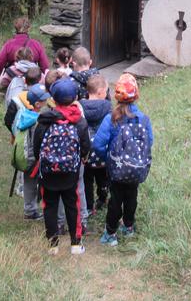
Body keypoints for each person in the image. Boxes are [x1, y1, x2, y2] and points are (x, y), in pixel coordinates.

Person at [93, 74, 153, 247]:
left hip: (116, 169)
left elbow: (98, 144)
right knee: (132, 196)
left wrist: (109, 159)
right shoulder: (143, 119)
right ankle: (128, 227)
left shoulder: (111, 119)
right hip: (137, 167)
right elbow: (150, 142)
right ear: (136, 95)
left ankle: (110, 234)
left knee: (115, 199)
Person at [33, 78, 91, 255]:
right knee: (72, 205)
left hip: (48, 173)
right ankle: (75, 244)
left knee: (49, 206)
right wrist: (81, 158)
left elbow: (37, 147)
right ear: (74, 98)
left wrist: (44, 163)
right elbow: (86, 146)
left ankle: (53, 246)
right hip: (70, 173)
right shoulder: (79, 121)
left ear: (54, 99)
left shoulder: (44, 120)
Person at [16, 83, 51, 220]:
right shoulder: (37, 120)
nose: (46, 101)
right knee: (36, 183)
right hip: (34, 158)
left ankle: (29, 210)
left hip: (26, 157)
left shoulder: (25, 115)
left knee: (28, 183)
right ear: (38, 104)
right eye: (44, 99)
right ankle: (32, 211)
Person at [80, 74, 111, 216]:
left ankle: (89, 206)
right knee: (103, 177)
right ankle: (103, 196)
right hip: (102, 151)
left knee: (87, 180)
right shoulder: (108, 107)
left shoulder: (80, 107)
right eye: (106, 91)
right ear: (100, 92)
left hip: (85, 153)